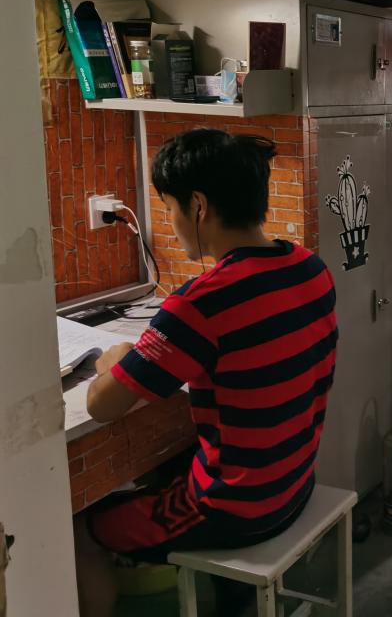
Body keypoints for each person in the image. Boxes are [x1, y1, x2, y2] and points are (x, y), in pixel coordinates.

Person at [75, 129, 338, 617]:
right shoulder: (311, 269)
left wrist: (116, 357)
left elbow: (102, 405)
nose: (170, 223)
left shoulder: (200, 304)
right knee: (165, 470)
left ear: (197, 206)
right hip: (294, 483)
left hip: (236, 508)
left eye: (169, 208)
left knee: (79, 531)